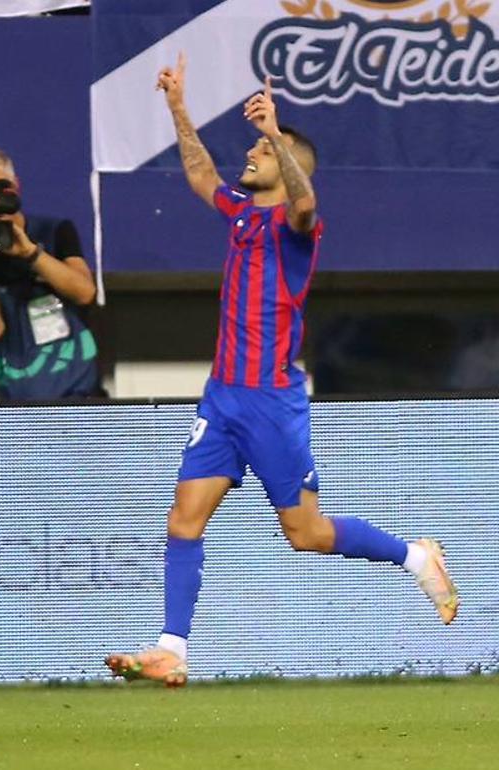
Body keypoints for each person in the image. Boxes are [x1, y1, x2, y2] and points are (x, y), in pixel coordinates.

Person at [104, 56, 458, 686]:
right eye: (254, 145)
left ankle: (413, 555)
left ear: (284, 158)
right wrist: (179, 108)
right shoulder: (240, 212)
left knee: (307, 534)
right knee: (184, 519)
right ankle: (172, 648)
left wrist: (275, 135)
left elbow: (305, 198)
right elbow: (198, 171)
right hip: (222, 400)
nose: (251, 153)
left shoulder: (300, 227)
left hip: (271, 401)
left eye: (262, 150)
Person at [0, 145, 100, 400]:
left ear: (15, 186)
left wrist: (30, 253)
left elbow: (85, 293)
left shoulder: (54, 230)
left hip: (74, 395)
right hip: (9, 402)